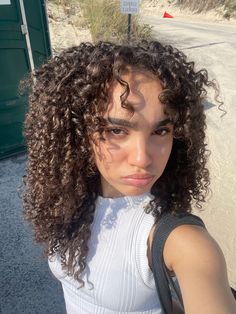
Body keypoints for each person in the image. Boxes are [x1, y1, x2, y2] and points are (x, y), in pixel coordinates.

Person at [22, 41, 236, 314]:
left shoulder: (185, 243)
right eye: (116, 130)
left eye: (160, 132)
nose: (142, 158)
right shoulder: (69, 198)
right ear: (78, 131)